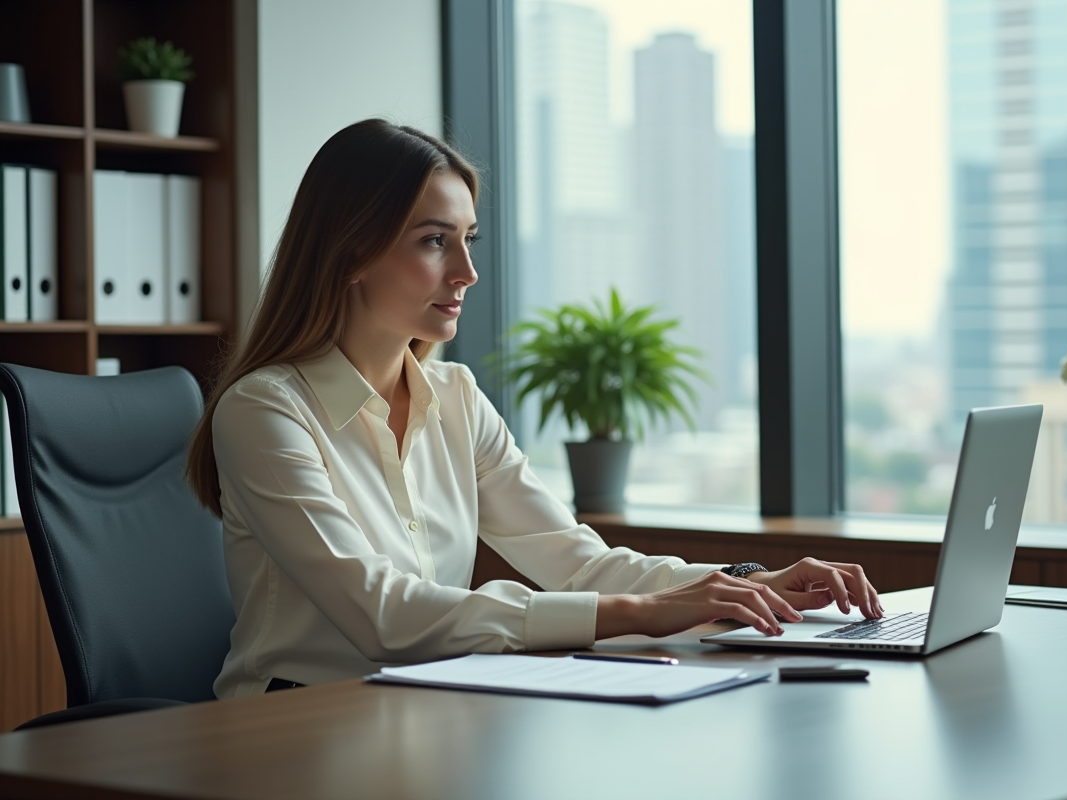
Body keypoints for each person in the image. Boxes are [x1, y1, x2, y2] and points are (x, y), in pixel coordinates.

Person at [186, 119, 883, 699]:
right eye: (434, 240)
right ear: (351, 251)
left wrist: (743, 585)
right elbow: (383, 616)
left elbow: (577, 563)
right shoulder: (263, 411)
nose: (466, 271)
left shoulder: (455, 399)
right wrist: (642, 614)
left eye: (469, 239)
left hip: (426, 708)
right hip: (293, 725)